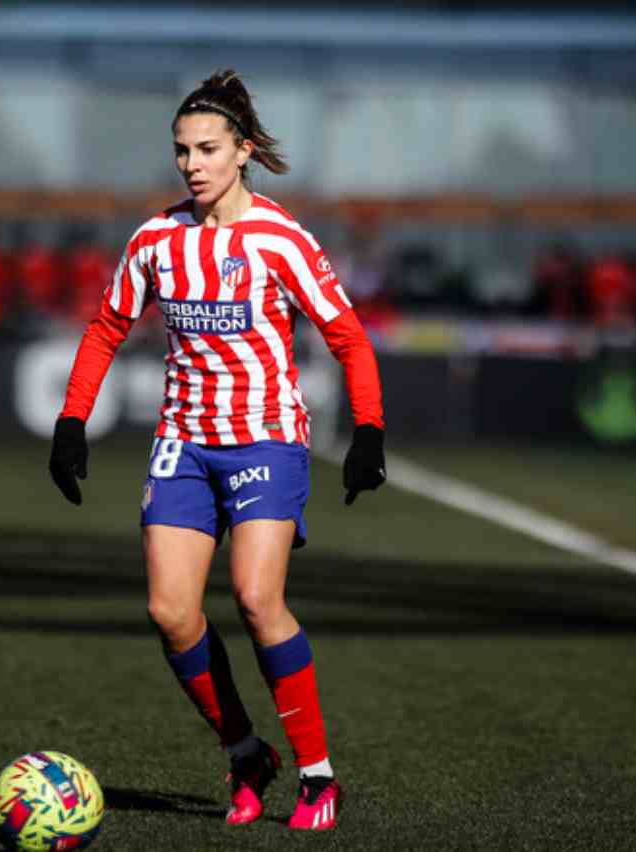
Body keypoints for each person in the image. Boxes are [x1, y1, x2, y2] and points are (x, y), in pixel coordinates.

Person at [48, 70, 386, 832]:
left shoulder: (280, 239)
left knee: (257, 599)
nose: (191, 164)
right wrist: (72, 422)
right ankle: (245, 753)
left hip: (265, 436)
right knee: (170, 612)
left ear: (242, 152)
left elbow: (347, 337)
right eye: (182, 151)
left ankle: (318, 776)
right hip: (184, 442)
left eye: (207, 149)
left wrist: (369, 429)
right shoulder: (155, 239)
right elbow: (106, 329)